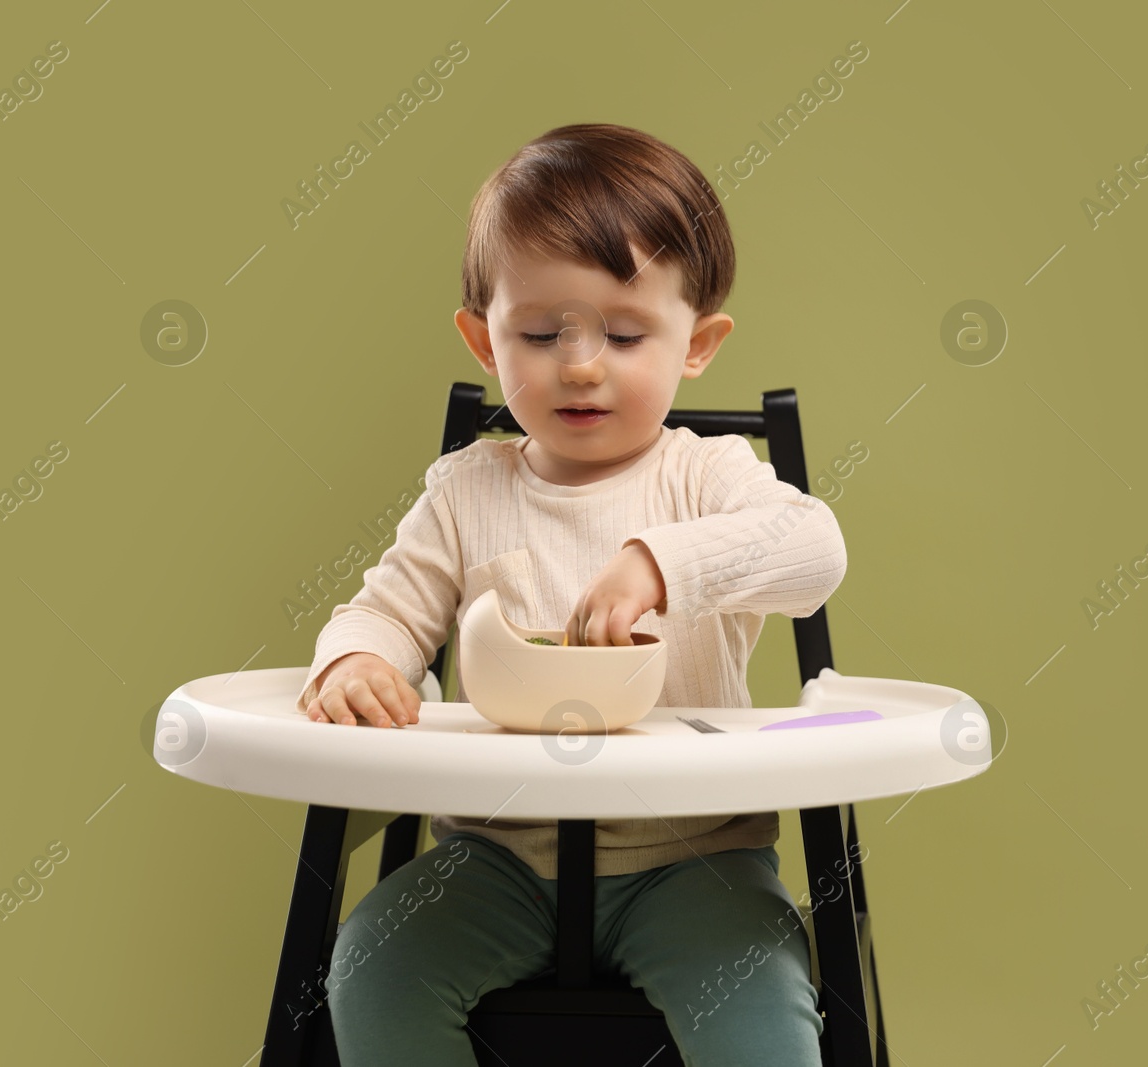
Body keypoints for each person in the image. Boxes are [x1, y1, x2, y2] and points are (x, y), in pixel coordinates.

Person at [292, 122, 847, 1066]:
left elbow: (812, 548)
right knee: (371, 965)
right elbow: (387, 608)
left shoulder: (708, 476)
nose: (582, 362)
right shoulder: (467, 489)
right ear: (482, 339)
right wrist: (357, 661)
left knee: (759, 1018)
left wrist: (660, 564)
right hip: (496, 856)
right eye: (542, 332)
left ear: (699, 343)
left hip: (696, 858)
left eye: (626, 334)